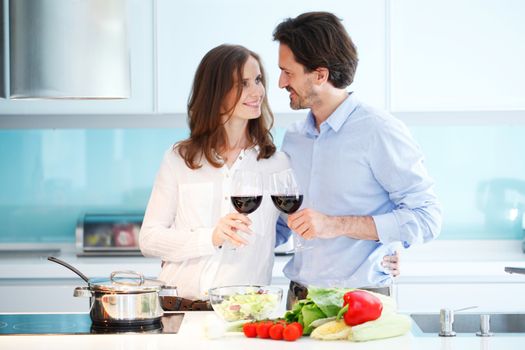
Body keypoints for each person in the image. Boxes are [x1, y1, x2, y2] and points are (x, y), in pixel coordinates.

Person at [272, 12, 442, 307]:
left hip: (360, 301)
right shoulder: (294, 137)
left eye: (288, 72)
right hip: (297, 299)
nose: (280, 82)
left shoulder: (379, 131)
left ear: (320, 75)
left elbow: (427, 218)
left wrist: (336, 225)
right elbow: (285, 224)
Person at [139, 44, 290, 309]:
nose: (257, 92)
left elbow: (290, 228)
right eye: (243, 84)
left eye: (257, 80)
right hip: (178, 307)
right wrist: (211, 237)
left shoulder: (275, 164)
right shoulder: (179, 158)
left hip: (244, 313)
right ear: (216, 92)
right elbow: (149, 239)